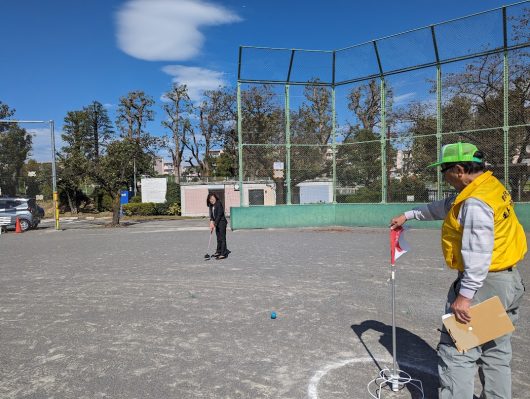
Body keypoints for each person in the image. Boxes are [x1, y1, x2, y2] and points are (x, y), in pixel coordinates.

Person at [390, 142, 527, 399]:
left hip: (483, 286)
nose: (443, 175)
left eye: (444, 170)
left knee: (458, 354)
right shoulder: (488, 186)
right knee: (495, 351)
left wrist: (465, 296)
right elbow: (441, 207)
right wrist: (407, 215)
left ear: (460, 170)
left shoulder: (475, 203)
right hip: (507, 281)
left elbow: (478, 253)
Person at [207, 193, 230, 259]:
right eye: (210, 199)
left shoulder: (218, 203)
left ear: (215, 198)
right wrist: (211, 222)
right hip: (217, 223)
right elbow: (212, 215)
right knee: (218, 238)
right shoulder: (211, 206)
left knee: (222, 238)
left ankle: (223, 253)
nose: (211, 200)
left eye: (212, 198)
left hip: (222, 223)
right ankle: (219, 251)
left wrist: (215, 223)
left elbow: (220, 214)